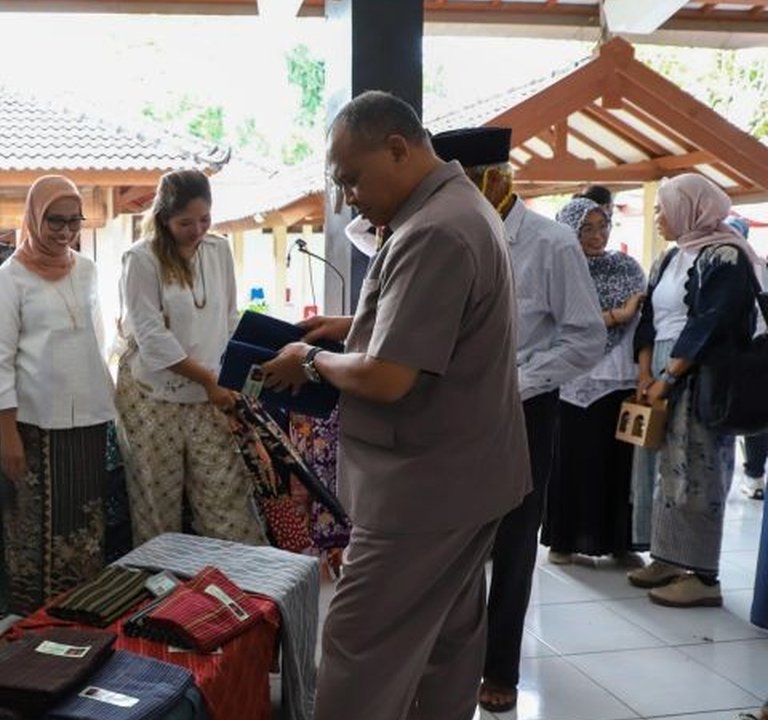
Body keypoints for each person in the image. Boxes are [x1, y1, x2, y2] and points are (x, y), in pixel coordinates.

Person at [260, 91, 530, 720]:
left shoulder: (434, 229)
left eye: (350, 179)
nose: (348, 196)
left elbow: (386, 378)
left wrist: (308, 359)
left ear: (399, 149)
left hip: (425, 489)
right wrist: (352, 324)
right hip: (469, 478)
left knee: (360, 641)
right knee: (446, 638)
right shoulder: (460, 208)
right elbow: (440, 328)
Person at [428, 127, 606, 714]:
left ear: (497, 178)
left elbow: (586, 337)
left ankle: (499, 665)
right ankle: (453, 656)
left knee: (512, 540)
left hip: (525, 411)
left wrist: (517, 383)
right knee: (455, 534)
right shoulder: (450, 235)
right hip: (458, 409)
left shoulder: (551, 244)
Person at [0, 175, 116, 614]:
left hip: (88, 419)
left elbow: (97, 340)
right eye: (54, 221)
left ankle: (79, 620)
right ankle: (35, 626)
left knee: (84, 522)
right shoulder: (11, 277)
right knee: (34, 527)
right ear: (35, 217)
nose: (64, 232)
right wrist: (7, 433)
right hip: (32, 423)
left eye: (74, 222)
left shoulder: (88, 269)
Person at [627, 173, 765, 609]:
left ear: (691, 208)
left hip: (702, 372)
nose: (658, 216)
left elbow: (713, 320)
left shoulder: (726, 255)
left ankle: (704, 576)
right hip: (666, 370)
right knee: (662, 470)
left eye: (663, 207)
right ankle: (668, 557)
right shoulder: (669, 258)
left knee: (698, 471)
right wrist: (646, 371)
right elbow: (649, 317)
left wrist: (670, 375)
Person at [114, 168, 264, 547]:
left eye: (205, 219)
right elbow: (152, 337)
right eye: (185, 222)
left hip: (209, 393)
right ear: (164, 218)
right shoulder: (141, 259)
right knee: (157, 506)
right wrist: (209, 380)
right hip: (152, 397)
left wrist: (228, 378)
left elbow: (230, 319)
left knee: (225, 499)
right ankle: (164, 597)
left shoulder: (219, 249)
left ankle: (239, 593)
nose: (197, 230)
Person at [542, 197, 648, 567]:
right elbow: (557, 320)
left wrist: (644, 374)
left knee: (617, 465)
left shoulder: (628, 267)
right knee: (572, 460)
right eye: (586, 228)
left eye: (602, 226)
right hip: (572, 377)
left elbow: (642, 322)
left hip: (618, 378)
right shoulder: (559, 266)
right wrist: (616, 314)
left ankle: (619, 543)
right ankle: (564, 540)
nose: (596, 235)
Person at [727, 216, 768, 501]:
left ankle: (753, 475)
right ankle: (753, 475)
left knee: (749, 416)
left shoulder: (752, 265)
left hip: (747, 352)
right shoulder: (758, 264)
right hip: (752, 352)